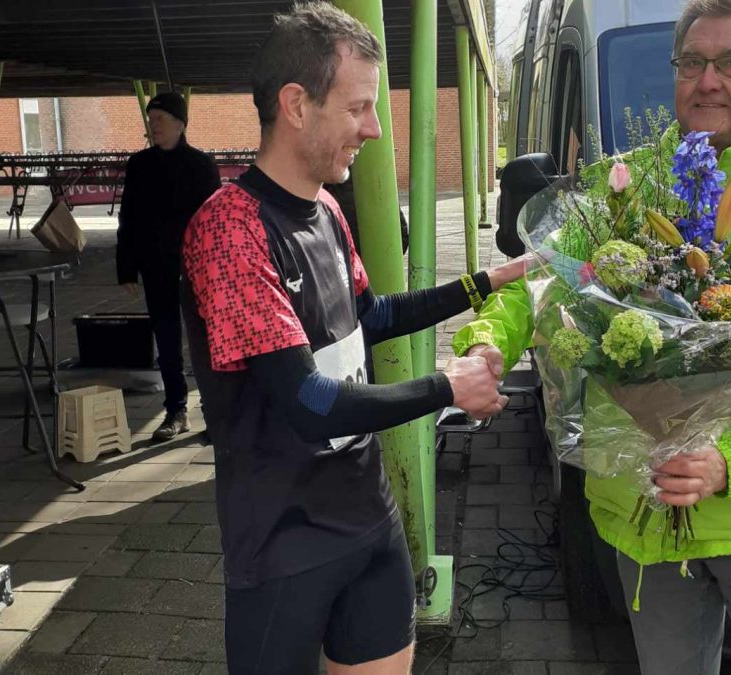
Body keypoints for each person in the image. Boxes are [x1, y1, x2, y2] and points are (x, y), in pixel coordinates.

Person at [453, 1, 731, 673]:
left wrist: (729, 463)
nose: (707, 79)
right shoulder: (624, 187)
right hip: (646, 515)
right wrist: (486, 345)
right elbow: (536, 280)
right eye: (692, 61)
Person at [179, 3, 526, 672]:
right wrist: (448, 388)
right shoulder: (231, 228)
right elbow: (307, 399)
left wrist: (486, 281)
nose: (372, 129)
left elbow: (373, 317)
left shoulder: (330, 207)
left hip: (369, 523)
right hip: (284, 546)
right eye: (359, 108)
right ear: (296, 105)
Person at [116, 91, 219, 442]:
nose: (152, 126)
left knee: (204, 342)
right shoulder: (139, 165)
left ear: (179, 123)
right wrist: (126, 267)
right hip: (155, 267)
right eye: (150, 119)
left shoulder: (202, 167)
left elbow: (214, 223)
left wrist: (214, 267)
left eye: (159, 119)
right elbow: (128, 217)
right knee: (167, 340)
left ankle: (214, 411)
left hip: (194, 271)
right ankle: (175, 410)